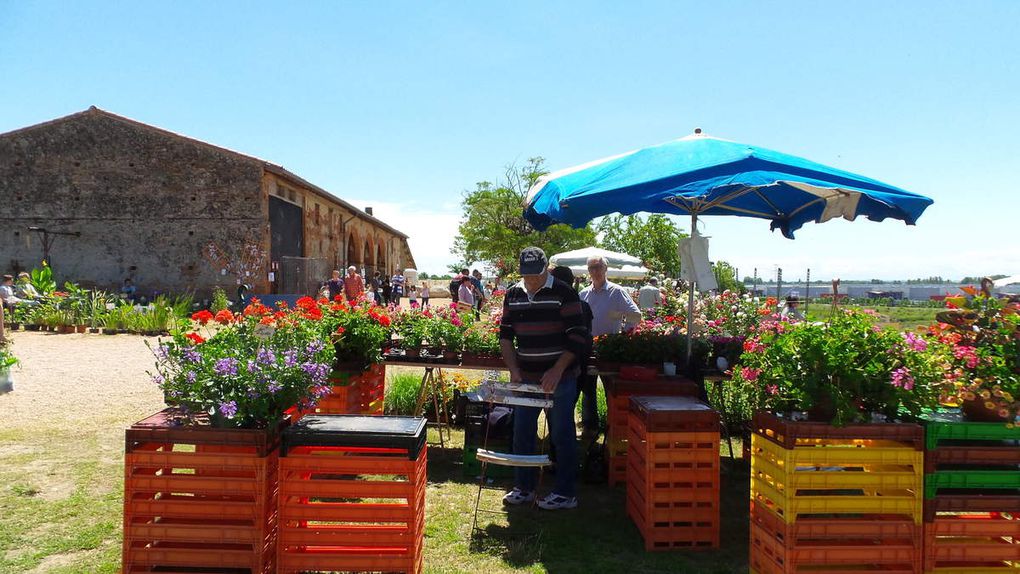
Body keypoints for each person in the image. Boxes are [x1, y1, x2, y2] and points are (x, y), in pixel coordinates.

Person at [500, 247, 590, 510]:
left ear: (545, 269)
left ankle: (565, 493)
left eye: (536, 275)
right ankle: (523, 487)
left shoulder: (564, 292)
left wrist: (557, 369)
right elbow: (506, 335)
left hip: (560, 378)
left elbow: (578, 336)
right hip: (526, 377)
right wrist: (514, 369)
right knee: (522, 433)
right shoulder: (513, 294)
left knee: (561, 434)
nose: (531, 281)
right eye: (526, 276)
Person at [578, 256, 642, 433]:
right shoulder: (583, 294)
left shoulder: (617, 291)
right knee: (588, 389)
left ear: (606, 269)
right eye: (591, 268)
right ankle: (590, 427)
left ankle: (612, 426)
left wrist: (623, 334)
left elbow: (635, 315)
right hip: (588, 348)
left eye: (598, 267)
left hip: (609, 349)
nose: (595, 271)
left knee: (611, 390)